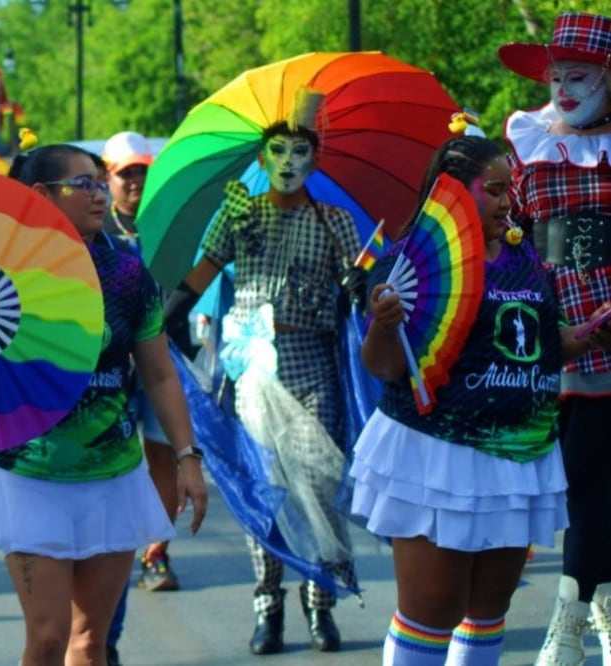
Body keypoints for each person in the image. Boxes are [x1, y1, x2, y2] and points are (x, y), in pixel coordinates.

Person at [0, 143, 208, 665]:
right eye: (85, 184)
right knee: (47, 639)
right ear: (42, 195)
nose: (100, 194)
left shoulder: (127, 274)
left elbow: (160, 374)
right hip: (29, 473)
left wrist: (187, 456)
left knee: (91, 643)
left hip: (112, 473)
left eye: (100, 182)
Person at [354, 134, 611, 665]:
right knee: (433, 608)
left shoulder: (525, 256)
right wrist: (383, 327)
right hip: (441, 455)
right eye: (492, 190)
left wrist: (584, 334)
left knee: (488, 606)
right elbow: (384, 366)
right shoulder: (410, 262)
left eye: (508, 189)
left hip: (520, 455)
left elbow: (541, 345)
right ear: (451, 192)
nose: (506, 201)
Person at [162, 99, 362, 654]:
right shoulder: (238, 212)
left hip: (313, 365)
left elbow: (361, 287)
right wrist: (164, 322)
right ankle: (267, 606)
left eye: (301, 150)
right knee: (263, 488)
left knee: (319, 488)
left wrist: (362, 286)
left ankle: (320, 604)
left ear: (315, 160)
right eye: (278, 148)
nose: (289, 159)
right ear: (262, 154)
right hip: (251, 368)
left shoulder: (336, 222)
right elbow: (200, 273)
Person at [498, 11, 611, 664]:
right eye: (556, 76)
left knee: (599, 481)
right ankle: (579, 618)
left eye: (579, 75)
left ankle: (571, 625)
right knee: (583, 483)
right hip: (558, 335)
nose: (563, 89)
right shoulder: (532, 146)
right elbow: (513, 237)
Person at [96, 131, 175, 665]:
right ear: (107, 177)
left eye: (142, 172)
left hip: (165, 360)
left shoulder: (168, 221)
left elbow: (193, 282)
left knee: (164, 458)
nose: (136, 182)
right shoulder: (96, 235)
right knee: (130, 465)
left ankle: (157, 554)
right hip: (116, 374)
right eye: (126, 174)